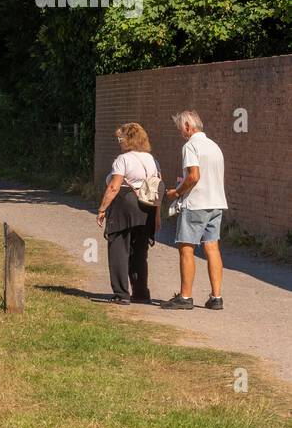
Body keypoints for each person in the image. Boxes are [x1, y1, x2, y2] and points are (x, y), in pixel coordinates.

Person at [162, 110, 227, 310]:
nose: (181, 133)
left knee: (186, 247)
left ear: (188, 127)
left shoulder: (191, 146)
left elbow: (194, 176)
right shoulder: (214, 146)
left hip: (196, 203)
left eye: (181, 129)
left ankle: (185, 296)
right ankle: (216, 297)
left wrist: (176, 193)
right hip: (216, 202)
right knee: (212, 248)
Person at [96, 122, 160, 304]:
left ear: (129, 139)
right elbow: (157, 188)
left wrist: (102, 209)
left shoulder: (123, 160)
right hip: (147, 207)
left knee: (118, 249)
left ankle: (121, 294)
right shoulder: (152, 160)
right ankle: (141, 293)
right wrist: (156, 215)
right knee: (139, 252)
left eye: (120, 138)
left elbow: (114, 186)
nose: (119, 141)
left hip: (125, 206)